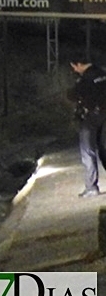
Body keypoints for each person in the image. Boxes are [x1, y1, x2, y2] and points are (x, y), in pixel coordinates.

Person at [66, 60, 106, 197]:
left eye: (74, 67)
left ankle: (91, 187)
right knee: (104, 149)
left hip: (90, 118)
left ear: (79, 64)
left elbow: (72, 95)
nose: (75, 70)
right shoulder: (102, 73)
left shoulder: (84, 80)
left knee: (88, 150)